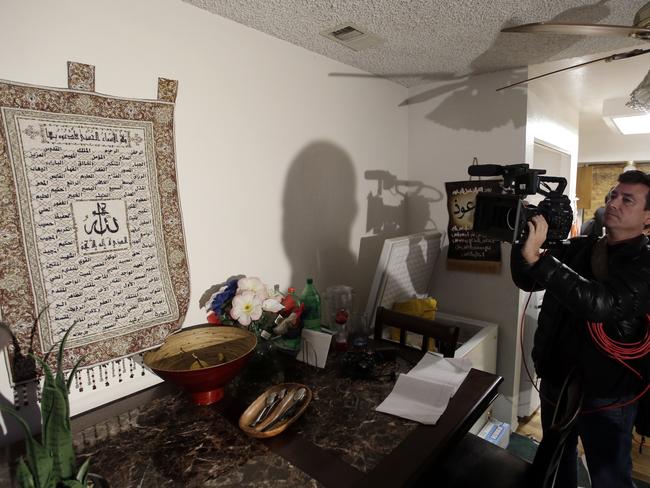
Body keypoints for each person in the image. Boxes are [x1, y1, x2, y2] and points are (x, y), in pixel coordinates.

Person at [511, 170, 650, 488]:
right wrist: (522, 241)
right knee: (559, 462)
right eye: (613, 195)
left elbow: (600, 303)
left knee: (609, 475)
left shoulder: (645, 262)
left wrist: (539, 260)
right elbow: (527, 278)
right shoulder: (580, 247)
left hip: (608, 391)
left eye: (627, 199)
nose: (613, 202)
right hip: (557, 379)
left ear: (648, 218)